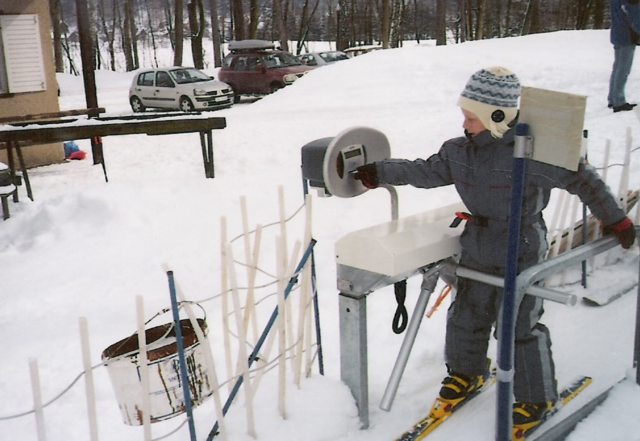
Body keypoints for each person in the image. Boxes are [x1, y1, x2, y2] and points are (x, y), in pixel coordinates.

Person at [353, 67, 636, 433]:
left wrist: (616, 220)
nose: (464, 123)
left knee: (518, 325)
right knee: (466, 314)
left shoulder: (532, 153)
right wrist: (381, 171)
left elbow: (583, 179)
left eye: (471, 117)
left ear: (497, 117)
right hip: (477, 242)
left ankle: (537, 397)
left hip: (521, 245)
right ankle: (466, 374)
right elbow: (424, 172)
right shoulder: (458, 151)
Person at [608, 0, 640, 112]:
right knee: (623, 69)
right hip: (627, 37)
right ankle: (619, 101)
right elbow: (635, 18)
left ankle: (612, 98)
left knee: (617, 68)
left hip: (618, 34)